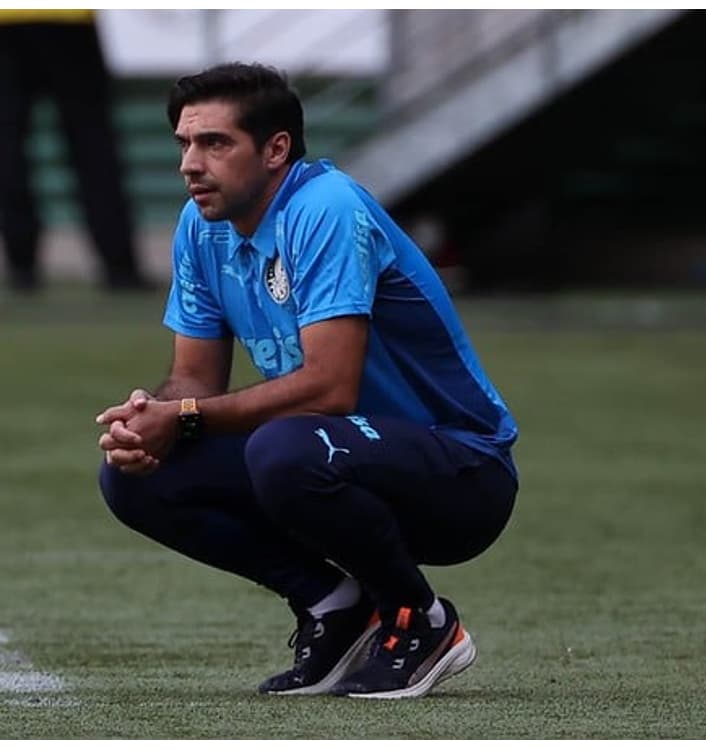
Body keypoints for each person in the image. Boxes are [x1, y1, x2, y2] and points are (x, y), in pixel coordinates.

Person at [94, 63, 518, 699]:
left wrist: (181, 416)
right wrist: (148, 417)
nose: (190, 163)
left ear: (276, 150)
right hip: (334, 451)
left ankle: (420, 620)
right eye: (184, 143)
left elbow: (330, 389)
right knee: (137, 475)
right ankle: (334, 605)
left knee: (283, 447)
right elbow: (194, 378)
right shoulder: (200, 225)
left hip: (463, 471)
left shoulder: (325, 207)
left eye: (215, 143)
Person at [0, 10, 152, 292]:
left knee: (9, 149)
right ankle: (119, 266)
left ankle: (21, 267)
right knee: (92, 146)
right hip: (68, 20)